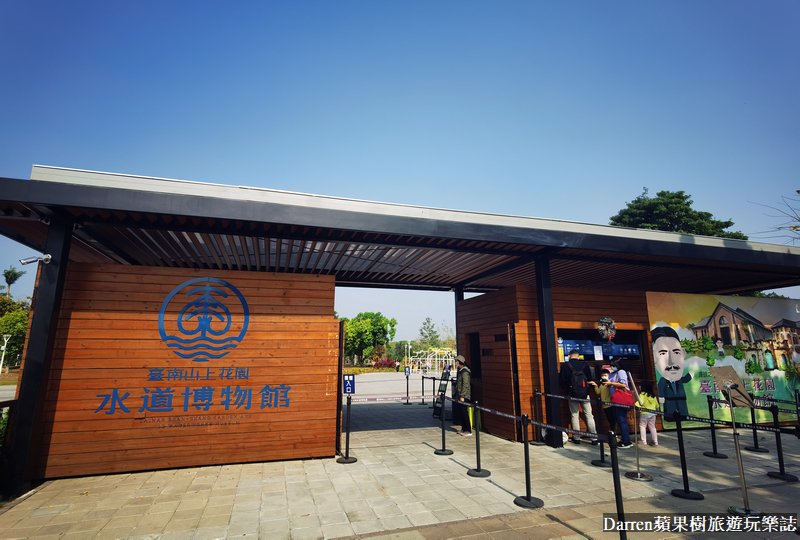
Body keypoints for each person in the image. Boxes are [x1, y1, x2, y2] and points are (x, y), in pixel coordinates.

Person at [559, 349, 597, 443]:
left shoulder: (566, 365)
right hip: (585, 393)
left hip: (572, 393)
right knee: (589, 414)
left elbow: (562, 380)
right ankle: (594, 438)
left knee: (574, 414)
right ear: (578, 356)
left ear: (569, 356)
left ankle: (576, 437)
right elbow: (590, 378)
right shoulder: (585, 364)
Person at [652, 326, 691, 419]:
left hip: (681, 400)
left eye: (676, 352)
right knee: (670, 409)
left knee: (682, 409)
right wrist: (661, 397)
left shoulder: (679, 379)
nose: (671, 362)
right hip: (669, 401)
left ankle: (684, 415)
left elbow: (686, 379)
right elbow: (660, 388)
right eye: (662, 353)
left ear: (683, 354)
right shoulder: (663, 381)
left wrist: (692, 373)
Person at [607, 364, 633, 448]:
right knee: (619, 420)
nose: (612, 367)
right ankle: (624, 439)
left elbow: (623, 384)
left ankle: (626, 441)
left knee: (622, 420)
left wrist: (611, 383)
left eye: (613, 365)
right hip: (614, 399)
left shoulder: (621, 372)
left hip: (620, 399)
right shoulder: (612, 374)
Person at [590, 368, 615, 435]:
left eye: (605, 375)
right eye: (602, 375)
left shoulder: (610, 384)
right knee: (609, 419)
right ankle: (612, 432)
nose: (603, 377)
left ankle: (613, 432)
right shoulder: (601, 385)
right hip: (604, 405)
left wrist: (609, 382)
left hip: (610, 405)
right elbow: (598, 392)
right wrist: (595, 385)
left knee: (612, 420)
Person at [635, 381, 659, 446]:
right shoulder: (653, 395)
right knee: (652, 427)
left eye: (640, 385)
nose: (639, 387)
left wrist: (635, 405)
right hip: (653, 413)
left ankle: (643, 441)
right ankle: (655, 441)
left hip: (644, 413)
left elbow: (639, 403)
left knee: (642, 426)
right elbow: (657, 405)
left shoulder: (642, 394)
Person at [454, 355, 472, 436]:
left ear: (460, 362)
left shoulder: (465, 372)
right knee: (461, 412)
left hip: (464, 396)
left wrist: (462, 396)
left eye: (457, 362)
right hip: (459, 395)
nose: (456, 363)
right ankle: (463, 428)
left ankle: (468, 430)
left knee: (464, 412)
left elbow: (465, 384)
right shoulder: (460, 371)